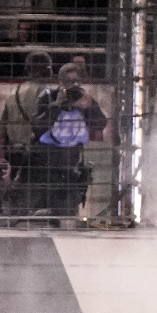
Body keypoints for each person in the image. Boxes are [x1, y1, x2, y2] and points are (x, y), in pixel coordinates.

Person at [26, 61, 107, 216]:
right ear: (60, 82)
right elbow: (37, 127)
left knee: (68, 208)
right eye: (69, 82)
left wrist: (88, 107)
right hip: (47, 160)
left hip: (72, 161)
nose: (73, 87)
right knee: (42, 208)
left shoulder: (84, 99)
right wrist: (57, 106)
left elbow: (101, 123)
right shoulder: (49, 97)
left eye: (77, 82)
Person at [0, 51, 53, 213]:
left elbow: (1, 133)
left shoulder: (13, 93)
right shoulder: (46, 93)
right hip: (37, 155)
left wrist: (1, 158)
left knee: (16, 200)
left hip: (13, 154)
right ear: (46, 70)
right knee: (37, 203)